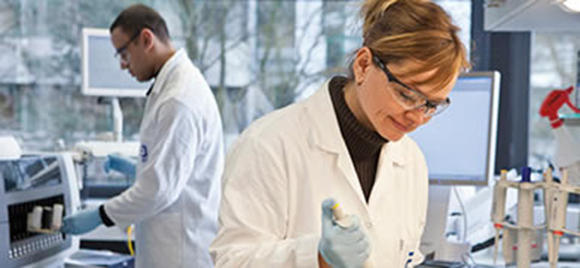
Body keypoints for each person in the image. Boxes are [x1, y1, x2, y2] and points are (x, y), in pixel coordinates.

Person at [210, 0, 469, 266]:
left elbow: (408, 259)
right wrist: (317, 257)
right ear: (364, 65)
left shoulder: (411, 160)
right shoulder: (269, 144)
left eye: (432, 105)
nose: (417, 117)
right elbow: (232, 260)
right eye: (406, 95)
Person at [61, 4, 224, 268]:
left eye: (123, 53)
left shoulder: (178, 99)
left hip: (181, 252)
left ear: (146, 39)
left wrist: (100, 215)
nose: (124, 65)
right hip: (170, 246)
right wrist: (141, 168)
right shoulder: (171, 88)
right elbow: (170, 171)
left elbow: (159, 190)